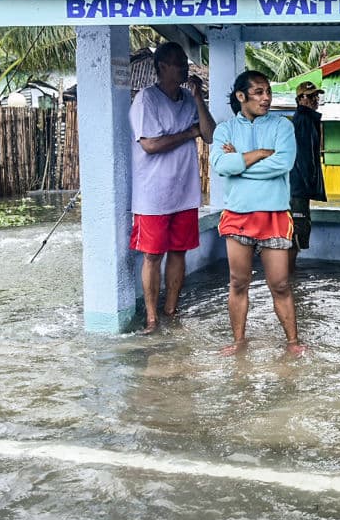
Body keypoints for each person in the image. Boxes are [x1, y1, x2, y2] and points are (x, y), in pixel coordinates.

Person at [209, 70, 302, 356]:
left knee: (281, 284)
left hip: (274, 214)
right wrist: (260, 153)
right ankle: (238, 341)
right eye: (259, 92)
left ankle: (293, 343)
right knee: (238, 282)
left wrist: (240, 163)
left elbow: (283, 164)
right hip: (237, 215)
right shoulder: (224, 129)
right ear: (241, 96)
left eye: (268, 92)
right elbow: (220, 166)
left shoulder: (282, 126)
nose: (266, 98)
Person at [128, 41, 215, 335]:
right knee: (153, 256)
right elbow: (150, 145)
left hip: (184, 193)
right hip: (152, 196)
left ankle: (171, 310)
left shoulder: (189, 101)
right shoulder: (146, 100)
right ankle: (152, 318)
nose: (184, 68)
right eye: (178, 63)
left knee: (179, 252)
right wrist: (189, 133)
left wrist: (199, 98)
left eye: (185, 63)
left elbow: (210, 134)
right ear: (162, 66)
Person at [288, 80, 327, 273]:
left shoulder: (308, 120)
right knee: (295, 234)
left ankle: (289, 279)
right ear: (300, 99)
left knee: (297, 234)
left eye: (316, 96)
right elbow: (302, 158)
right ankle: (288, 280)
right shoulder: (303, 121)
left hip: (299, 188)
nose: (315, 100)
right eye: (310, 97)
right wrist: (304, 187)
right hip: (297, 189)